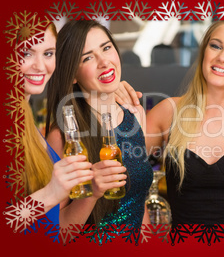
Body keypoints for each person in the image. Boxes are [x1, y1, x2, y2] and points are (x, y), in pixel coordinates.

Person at [117, 18, 224, 225]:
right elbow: (117, 177)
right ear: (204, 52)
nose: (222, 57)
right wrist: (108, 100)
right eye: (215, 46)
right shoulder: (169, 112)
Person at [45, 19, 153, 228]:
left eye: (106, 48)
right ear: (73, 74)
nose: (104, 62)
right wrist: (92, 193)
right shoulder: (63, 137)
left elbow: (140, 202)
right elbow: (54, 231)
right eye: (87, 58)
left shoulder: (135, 116)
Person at [21, 23, 94, 228]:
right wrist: (51, 193)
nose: (40, 65)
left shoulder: (27, 121)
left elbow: (53, 227)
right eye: (26, 53)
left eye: (48, 53)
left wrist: (92, 194)